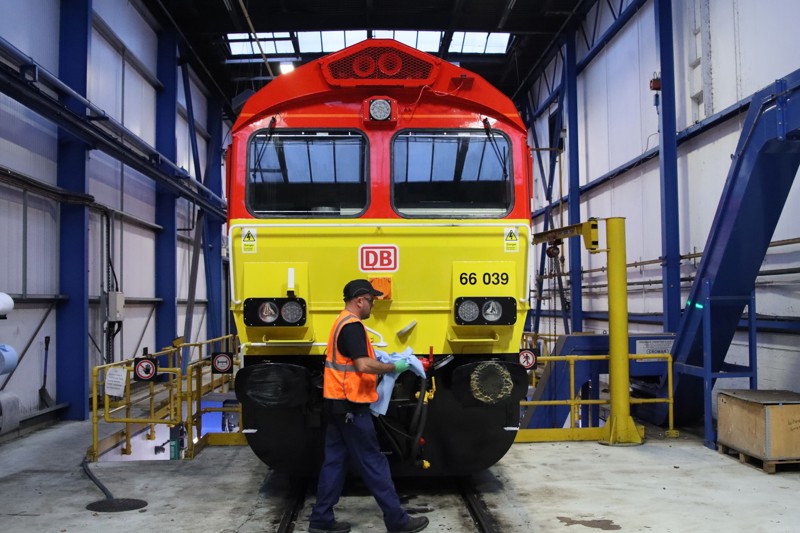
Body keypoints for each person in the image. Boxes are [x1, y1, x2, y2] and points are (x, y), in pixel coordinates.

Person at [308, 279, 430, 533]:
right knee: (374, 463)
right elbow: (362, 365)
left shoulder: (340, 322)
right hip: (352, 407)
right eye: (372, 300)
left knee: (334, 462)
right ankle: (397, 521)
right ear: (359, 300)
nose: (373, 305)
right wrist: (394, 367)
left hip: (337, 405)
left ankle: (321, 520)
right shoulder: (352, 327)